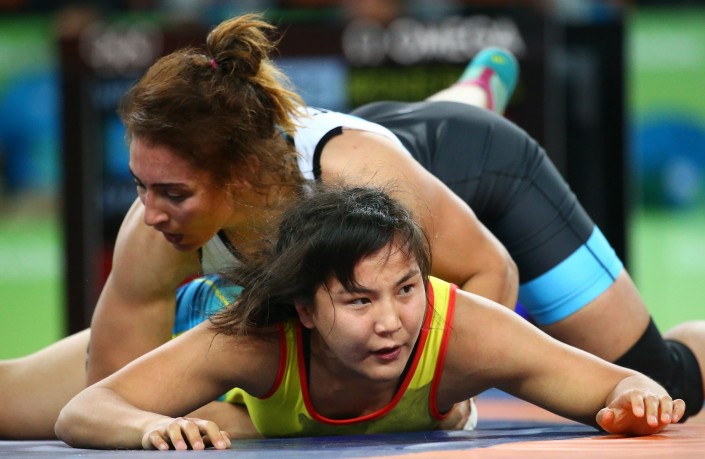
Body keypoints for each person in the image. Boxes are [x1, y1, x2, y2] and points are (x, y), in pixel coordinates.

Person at [2, 12, 703, 439]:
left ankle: (473, 102)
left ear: (236, 178)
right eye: (141, 186)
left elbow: (487, 271)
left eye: (173, 193)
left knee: (661, 381)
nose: (151, 211)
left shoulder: (356, 176)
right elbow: (115, 389)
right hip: (384, 150)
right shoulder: (154, 227)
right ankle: (466, 91)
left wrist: (444, 398)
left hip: (478, 171)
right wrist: (167, 421)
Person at [54, 185, 685, 450]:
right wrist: (150, 427)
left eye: (406, 289)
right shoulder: (251, 340)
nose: (392, 322)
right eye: (359, 301)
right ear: (305, 310)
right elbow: (85, 409)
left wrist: (636, 400)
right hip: (196, 317)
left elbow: (620, 384)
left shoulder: (461, 328)